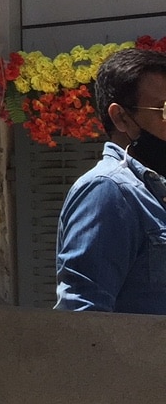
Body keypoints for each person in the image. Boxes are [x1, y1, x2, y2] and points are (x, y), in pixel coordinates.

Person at [56, 46, 166, 312]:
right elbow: (83, 318)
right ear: (121, 117)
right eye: (164, 110)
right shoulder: (108, 190)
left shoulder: (155, 190)